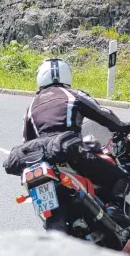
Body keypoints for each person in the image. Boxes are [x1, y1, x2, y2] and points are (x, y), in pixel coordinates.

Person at [22, 58, 130, 231]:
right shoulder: (72, 94)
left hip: (45, 162)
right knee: (121, 176)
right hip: (71, 154)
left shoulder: (31, 106)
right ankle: (115, 209)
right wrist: (123, 127)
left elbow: (26, 141)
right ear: (66, 75)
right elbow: (102, 114)